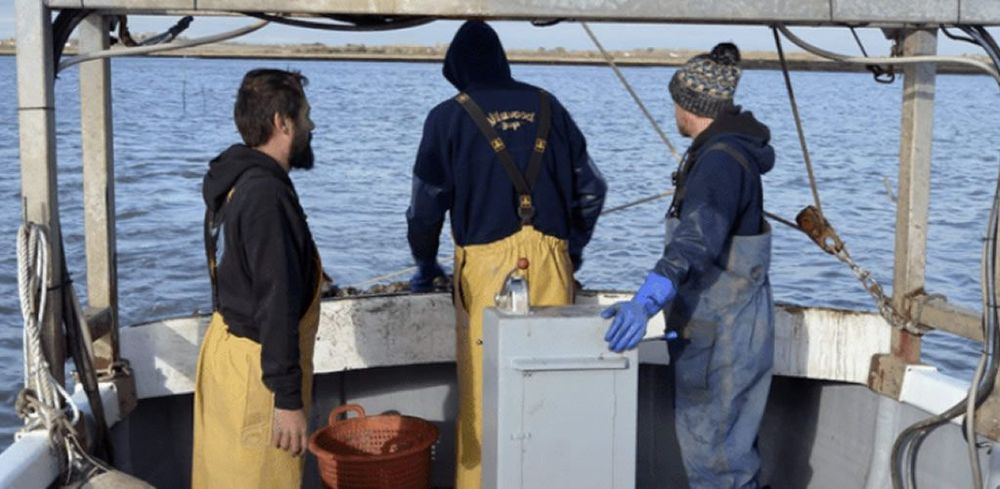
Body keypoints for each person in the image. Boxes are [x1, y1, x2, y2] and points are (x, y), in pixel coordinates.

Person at [406, 20, 607, 489]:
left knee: (484, 394)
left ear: (456, 69)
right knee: (552, 388)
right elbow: (593, 189)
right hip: (553, 266)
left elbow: (425, 205)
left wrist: (423, 262)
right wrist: (570, 250)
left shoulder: (447, 117)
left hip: (486, 274)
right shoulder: (549, 105)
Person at [602, 43, 776, 488]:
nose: (674, 110)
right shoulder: (724, 151)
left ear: (690, 104)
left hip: (725, 342)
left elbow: (696, 241)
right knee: (728, 457)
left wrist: (646, 300)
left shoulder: (719, 161)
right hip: (726, 329)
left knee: (719, 465)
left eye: (676, 101)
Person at [192, 68, 322, 488]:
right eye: (304, 115)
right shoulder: (266, 195)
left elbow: (249, 268)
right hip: (258, 378)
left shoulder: (236, 182)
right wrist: (287, 400)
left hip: (227, 357)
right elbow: (275, 301)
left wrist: (301, 266)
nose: (311, 125)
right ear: (282, 123)